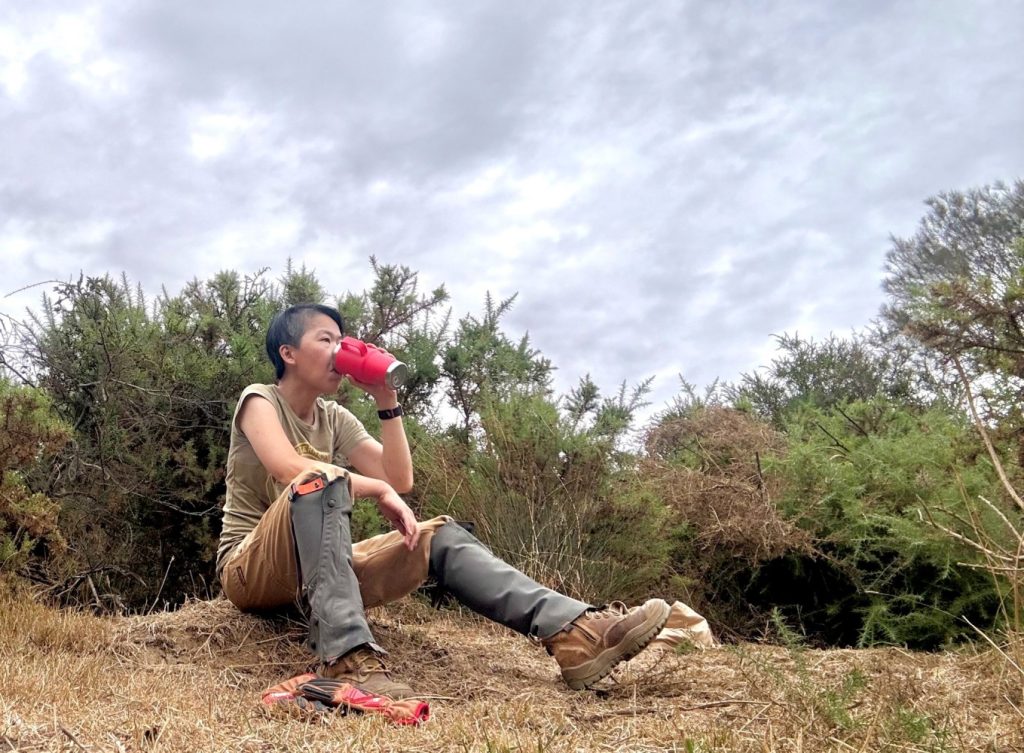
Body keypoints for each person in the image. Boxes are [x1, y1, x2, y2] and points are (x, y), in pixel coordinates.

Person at [217, 303, 670, 698]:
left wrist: (386, 400)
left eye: (343, 340)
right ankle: (346, 659)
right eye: (326, 339)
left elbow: (399, 476)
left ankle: (576, 633)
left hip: (322, 574)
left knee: (440, 538)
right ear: (288, 353)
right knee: (319, 481)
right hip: (251, 567)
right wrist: (375, 489)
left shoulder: (334, 417)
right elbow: (286, 468)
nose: (340, 350)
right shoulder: (259, 400)